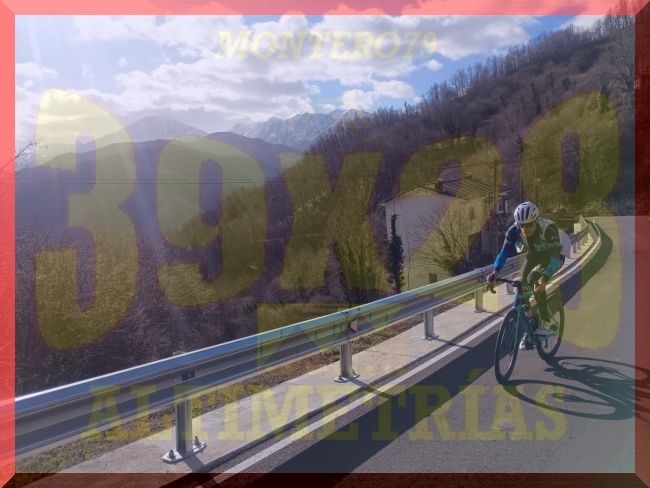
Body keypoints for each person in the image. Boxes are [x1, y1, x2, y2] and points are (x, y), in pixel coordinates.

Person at [486, 201, 565, 350]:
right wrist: (495, 272)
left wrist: (545, 277)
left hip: (552, 257)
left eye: (529, 225)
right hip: (534, 254)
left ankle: (545, 323)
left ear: (536, 221)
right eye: (522, 225)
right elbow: (504, 253)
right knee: (522, 285)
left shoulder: (548, 228)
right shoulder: (513, 231)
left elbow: (554, 259)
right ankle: (531, 323)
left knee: (534, 280)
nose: (525, 229)